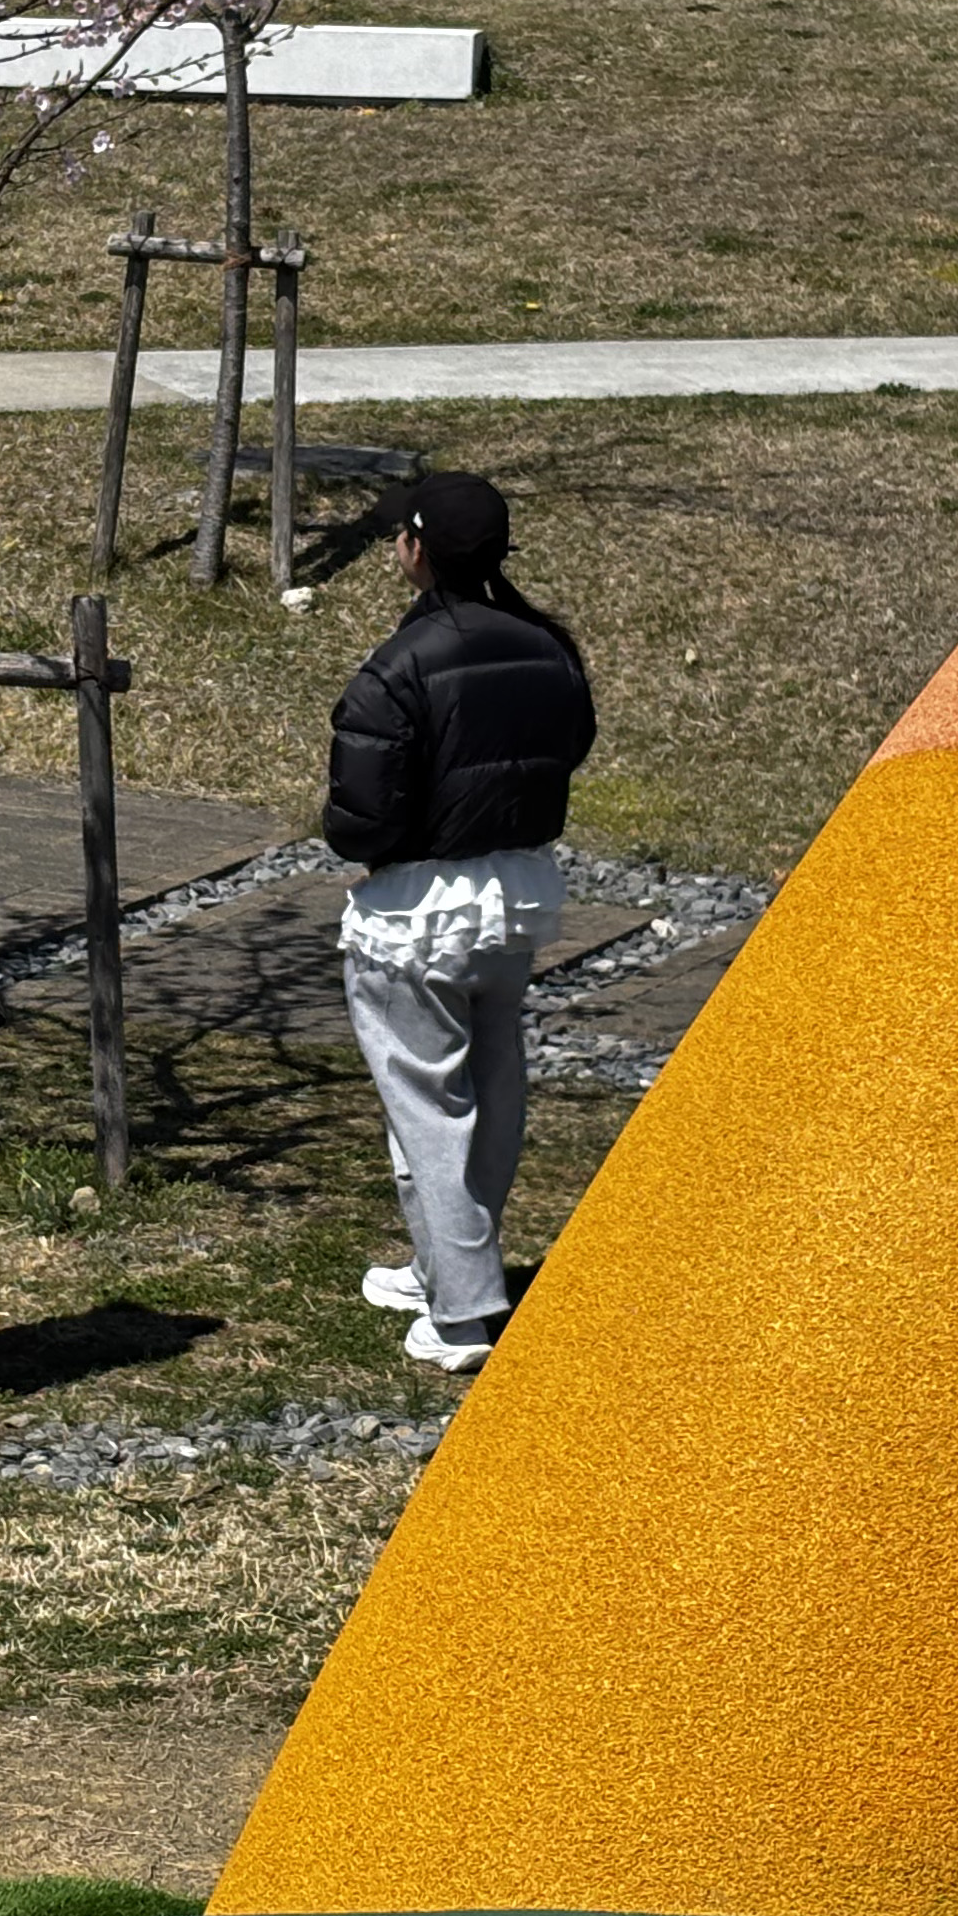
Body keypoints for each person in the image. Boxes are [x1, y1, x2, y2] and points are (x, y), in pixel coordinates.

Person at [323, 471, 598, 1375]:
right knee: (491, 1086)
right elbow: (570, 749)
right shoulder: (546, 648)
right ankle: (443, 1268)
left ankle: (463, 1315)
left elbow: (358, 820)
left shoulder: (397, 666)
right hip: (516, 899)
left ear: (414, 549)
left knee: (428, 1110)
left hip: (415, 915)